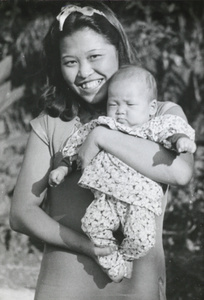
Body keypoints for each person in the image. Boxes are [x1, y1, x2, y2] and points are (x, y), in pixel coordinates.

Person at [9, 2, 194, 300]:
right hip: (63, 289)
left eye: (95, 57)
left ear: (118, 51)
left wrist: (101, 137)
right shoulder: (52, 124)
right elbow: (21, 214)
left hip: (137, 289)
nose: (84, 72)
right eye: (70, 62)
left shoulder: (161, 115)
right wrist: (87, 246)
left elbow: (180, 171)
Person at [49, 65, 196, 283]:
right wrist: (62, 168)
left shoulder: (152, 127)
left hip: (140, 202)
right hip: (105, 197)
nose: (120, 111)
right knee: (92, 224)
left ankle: (126, 257)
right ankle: (112, 263)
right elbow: (77, 150)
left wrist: (181, 141)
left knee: (142, 238)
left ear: (151, 107)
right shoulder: (103, 125)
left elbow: (172, 133)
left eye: (129, 104)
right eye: (113, 104)